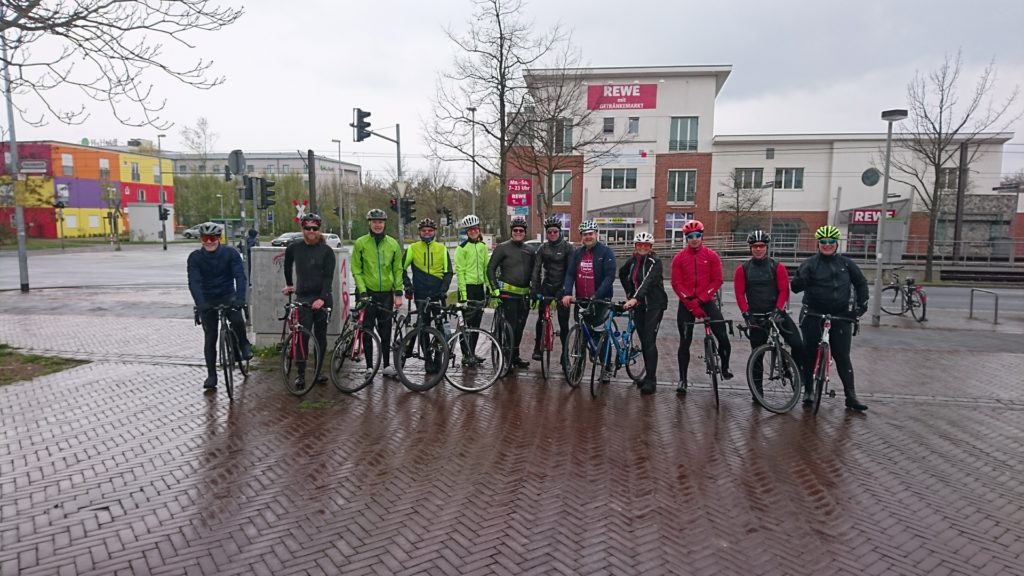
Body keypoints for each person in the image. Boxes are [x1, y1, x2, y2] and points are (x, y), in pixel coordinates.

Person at [791, 225, 870, 411]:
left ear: (836, 244)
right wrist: (802, 279)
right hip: (813, 314)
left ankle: (851, 396)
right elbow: (794, 287)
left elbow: (861, 283)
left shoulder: (846, 264)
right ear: (818, 244)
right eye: (823, 242)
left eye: (831, 242)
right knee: (809, 353)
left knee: (842, 356)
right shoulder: (810, 263)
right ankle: (809, 391)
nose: (827, 245)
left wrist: (861, 306)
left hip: (841, 316)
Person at [734, 230, 805, 403]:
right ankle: (757, 392)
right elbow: (739, 294)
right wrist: (746, 313)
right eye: (755, 247)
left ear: (766, 247)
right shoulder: (743, 269)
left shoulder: (777, 267)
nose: (758, 249)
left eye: (761, 246)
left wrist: (778, 310)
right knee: (756, 356)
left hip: (776, 314)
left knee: (798, 344)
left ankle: (797, 371)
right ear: (750, 248)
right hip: (756, 317)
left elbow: (783, 291)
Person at [187, 221, 252, 393]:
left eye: (213, 238)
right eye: (205, 238)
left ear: (219, 238)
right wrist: (201, 304)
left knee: (236, 318)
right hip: (208, 298)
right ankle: (211, 375)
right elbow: (194, 282)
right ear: (201, 239)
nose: (209, 241)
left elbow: (240, 276)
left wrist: (240, 298)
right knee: (210, 337)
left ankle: (244, 344)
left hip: (227, 294)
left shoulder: (230, 254)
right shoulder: (195, 258)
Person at [670, 219, 732, 394]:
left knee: (723, 337)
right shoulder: (679, 258)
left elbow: (717, 280)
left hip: (706, 301)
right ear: (686, 238)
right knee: (685, 342)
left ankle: (725, 367)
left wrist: (702, 299)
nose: (694, 239)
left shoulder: (712, 256)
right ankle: (682, 379)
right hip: (687, 303)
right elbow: (676, 283)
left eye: (697, 235)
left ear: (702, 236)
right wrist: (690, 304)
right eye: (690, 236)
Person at [281, 213, 336, 391]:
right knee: (301, 338)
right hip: (303, 298)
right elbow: (287, 265)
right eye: (307, 228)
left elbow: (329, 277)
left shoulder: (327, 251)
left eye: (314, 228)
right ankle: (301, 374)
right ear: (302, 229)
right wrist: (289, 284)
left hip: (322, 298)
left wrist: (322, 298)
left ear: (319, 230)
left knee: (320, 337)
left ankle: (319, 371)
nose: (311, 232)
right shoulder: (294, 248)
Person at [351, 208, 404, 379]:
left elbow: (398, 270)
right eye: (374, 222)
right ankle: (369, 366)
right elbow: (356, 270)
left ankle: (387, 365)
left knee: (386, 330)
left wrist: (398, 292)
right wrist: (363, 291)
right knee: (367, 329)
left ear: (384, 223)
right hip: (367, 292)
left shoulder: (393, 244)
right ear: (369, 223)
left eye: (380, 222)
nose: (377, 225)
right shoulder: (361, 243)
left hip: (386, 294)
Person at [561, 220, 616, 369]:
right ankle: (578, 368)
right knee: (581, 334)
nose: (588, 237)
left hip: (600, 301)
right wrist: (567, 293)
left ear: (596, 234)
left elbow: (609, 277)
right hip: (581, 300)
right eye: (585, 234)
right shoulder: (578, 253)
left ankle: (606, 366)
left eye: (590, 234)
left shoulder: (605, 252)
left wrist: (597, 295)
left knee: (601, 335)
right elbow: (570, 274)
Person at [402, 217, 454, 373]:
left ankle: (439, 356)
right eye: (424, 230)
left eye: (430, 231)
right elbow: (401, 269)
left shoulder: (442, 249)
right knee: (423, 327)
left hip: (438, 293)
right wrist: (408, 286)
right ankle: (428, 359)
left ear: (435, 232)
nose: (427, 233)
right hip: (420, 293)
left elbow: (448, 272)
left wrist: (444, 289)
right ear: (420, 232)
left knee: (441, 327)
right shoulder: (412, 248)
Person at [618, 232, 667, 395]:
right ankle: (646, 377)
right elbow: (622, 273)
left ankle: (651, 380)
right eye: (639, 244)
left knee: (648, 340)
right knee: (644, 339)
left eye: (646, 245)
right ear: (635, 246)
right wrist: (629, 294)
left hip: (654, 305)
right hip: (638, 306)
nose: (643, 247)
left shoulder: (655, 262)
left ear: (651, 247)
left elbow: (648, 281)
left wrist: (635, 298)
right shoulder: (632, 261)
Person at [487, 216, 535, 369]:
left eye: (521, 230)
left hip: (524, 295)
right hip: (507, 294)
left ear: (525, 232)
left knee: (520, 327)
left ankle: (515, 356)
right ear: (511, 232)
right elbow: (490, 269)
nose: (518, 233)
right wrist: (495, 288)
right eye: (515, 230)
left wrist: (535, 291)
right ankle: (505, 357)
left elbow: (535, 272)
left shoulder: (530, 250)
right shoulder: (502, 247)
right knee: (510, 327)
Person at [530, 216, 573, 365]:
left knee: (564, 323)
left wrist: (566, 290)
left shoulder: (568, 247)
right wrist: (534, 289)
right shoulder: (543, 248)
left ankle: (565, 355)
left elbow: (570, 271)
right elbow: (536, 270)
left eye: (555, 231)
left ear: (560, 232)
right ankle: (537, 348)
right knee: (541, 318)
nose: (553, 234)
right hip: (547, 286)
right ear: (546, 233)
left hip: (562, 287)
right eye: (550, 232)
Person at [454, 214, 490, 362]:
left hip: (479, 289)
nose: (473, 232)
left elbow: (486, 268)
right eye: (470, 230)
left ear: (479, 229)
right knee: (466, 325)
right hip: (467, 288)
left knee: (476, 325)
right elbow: (460, 272)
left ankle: (472, 353)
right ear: (466, 232)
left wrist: (488, 287)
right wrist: (463, 295)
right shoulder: (461, 248)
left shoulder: (482, 247)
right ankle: (465, 355)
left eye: (475, 229)